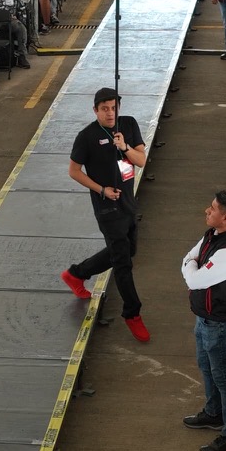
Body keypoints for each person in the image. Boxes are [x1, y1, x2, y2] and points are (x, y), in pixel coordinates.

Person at [62, 88, 148, 342]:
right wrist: (101, 189)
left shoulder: (128, 125)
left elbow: (141, 160)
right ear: (95, 110)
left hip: (128, 202)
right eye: (104, 109)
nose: (110, 113)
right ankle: (132, 313)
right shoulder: (86, 137)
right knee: (122, 262)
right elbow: (74, 171)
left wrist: (125, 146)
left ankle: (76, 273)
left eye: (113, 108)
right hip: (107, 207)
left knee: (128, 250)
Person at [182, 191, 226, 451]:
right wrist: (193, 266)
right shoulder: (214, 234)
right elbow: (188, 258)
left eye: (212, 208)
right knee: (206, 366)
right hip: (204, 316)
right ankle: (214, 413)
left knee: (223, 377)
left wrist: (193, 267)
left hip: (220, 322)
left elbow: (194, 280)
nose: (206, 211)